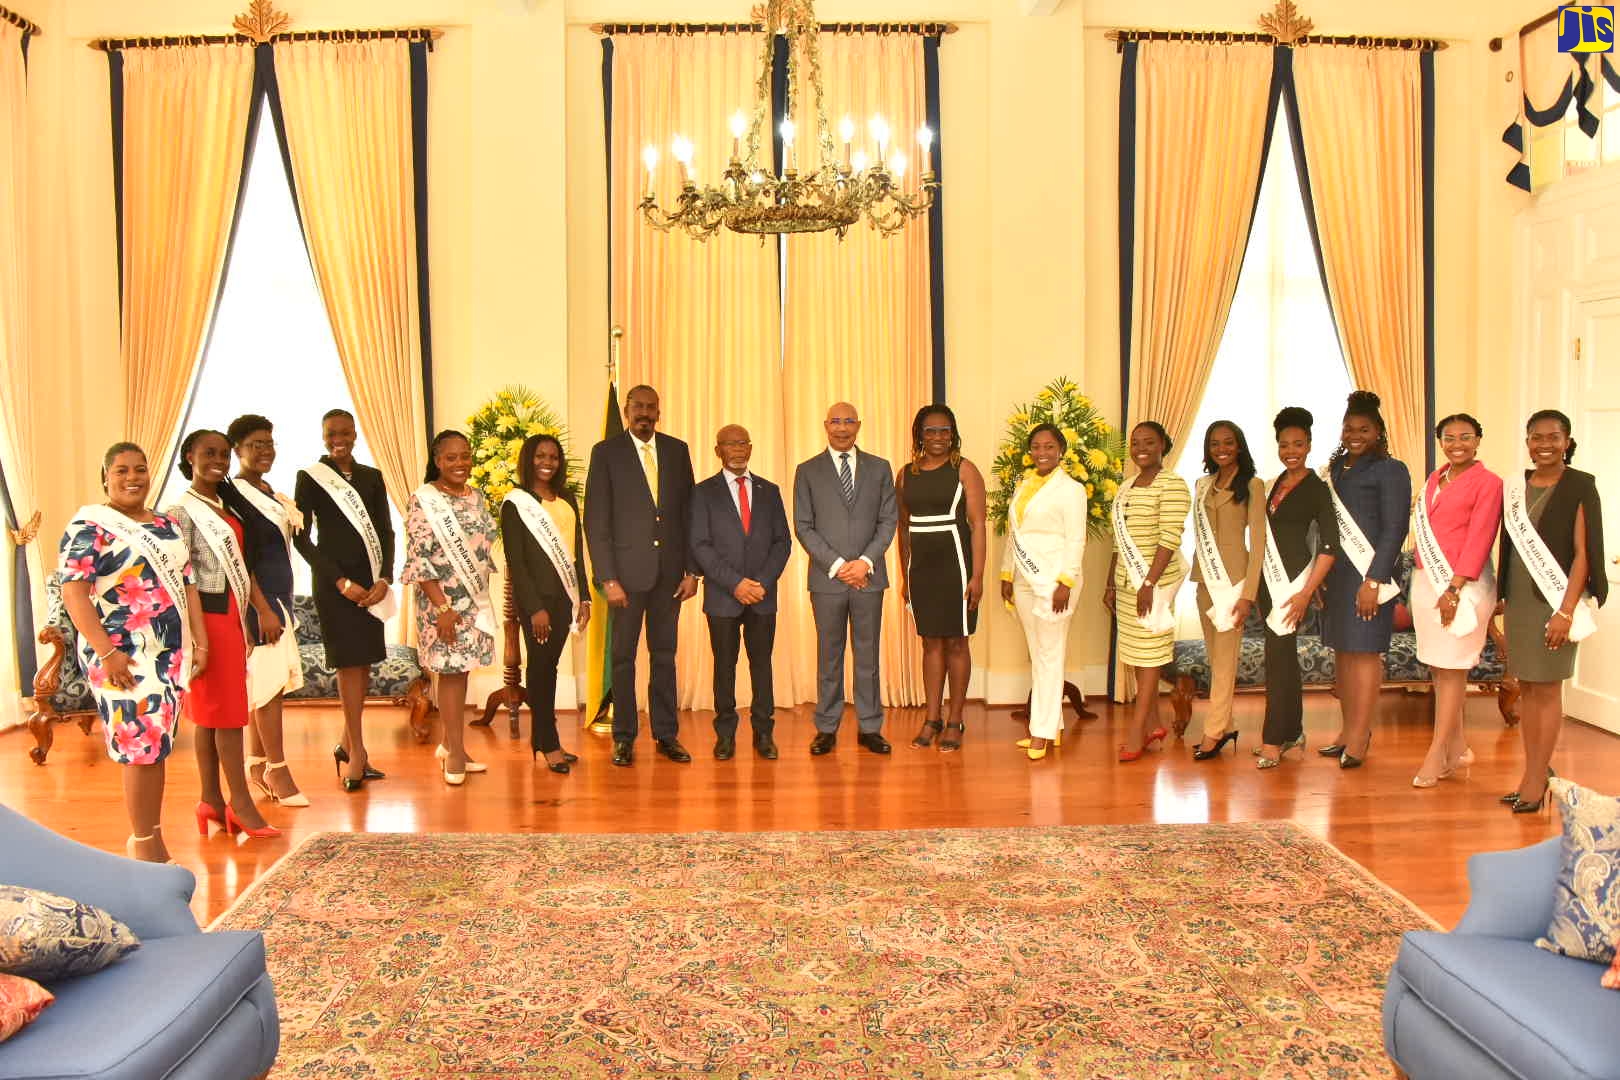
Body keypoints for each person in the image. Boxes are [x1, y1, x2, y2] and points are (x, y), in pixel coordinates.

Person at [58, 443, 207, 863]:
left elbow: (188, 583)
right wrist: (107, 653)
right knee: (138, 746)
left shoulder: (166, 525)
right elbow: (74, 593)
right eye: (121, 471)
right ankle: (145, 846)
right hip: (120, 655)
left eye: (139, 470)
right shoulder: (89, 526)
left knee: (156, 744)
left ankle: (149, 835)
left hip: (169, 654)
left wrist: (201, 642)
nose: (132, 478)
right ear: (105, 476)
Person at [166, 429, 281, 840]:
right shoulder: (180, 511)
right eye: (208, 453)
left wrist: (261, 609)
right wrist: (199, 638)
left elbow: (243, 567)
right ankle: (241, 805)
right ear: (190, 457)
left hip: (232, 614)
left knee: (212, 716)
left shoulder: (224, 502)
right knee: (227, 715)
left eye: (224, 453)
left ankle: (211, 801)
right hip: (207, 621)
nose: (218, 459)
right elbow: (183, 578)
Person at [583, 384, 699, 767]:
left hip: (670, 578)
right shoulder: (607, 453)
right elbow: (596, 521)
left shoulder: (677, 451)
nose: (644, 413)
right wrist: (608, 579)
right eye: (638, 407)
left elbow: (689, 515)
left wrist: (692, 571)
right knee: (624, 657)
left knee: (665, 656)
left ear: (659, 412)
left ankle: (667, 735)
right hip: (626, 580)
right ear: (627, 410)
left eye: (651, 407)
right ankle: (624, 736)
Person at [1497, 409, 1606, 813]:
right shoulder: (1516, 486)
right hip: (1521, 603)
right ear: (1527, 441)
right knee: (1527, 688)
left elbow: (1583, 554)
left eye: (1553, 437)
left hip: (1556, 601)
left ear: (1567, 441)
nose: (1544, 444)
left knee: (1546, 690)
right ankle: (1536, 772)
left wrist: (1564, 611)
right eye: (1536, 437)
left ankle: (1533, 781)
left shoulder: (1580, 484)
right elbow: (1508, 548)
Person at [293, 408, 394, 791]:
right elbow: (302, 538)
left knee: (363, 663)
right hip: (335, 586)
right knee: (347, 664)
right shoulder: (311, 478)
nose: (340, 439)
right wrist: (338, 581)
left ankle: (347, 743)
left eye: (346, 433)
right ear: (323, 437)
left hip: (370, 585)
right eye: (332, 433)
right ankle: (358, 754)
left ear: (355, 435)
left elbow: (386, 531)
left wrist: (383, 577)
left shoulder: (371, 477)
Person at [793, 401, 899, 756]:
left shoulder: (880, 468)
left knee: (868, 656)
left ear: (859, 424)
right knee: (829, 656)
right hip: (827, 581)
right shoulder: (807, 471)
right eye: (835, 422)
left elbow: (888, 521)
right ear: (825, 425)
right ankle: (826, 727)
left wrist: (865, 562)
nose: (842, 428)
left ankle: (870, 727)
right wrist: (839, 565)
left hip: (869, 578)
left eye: (848, 421)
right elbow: (803, 526)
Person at [688, 424, 792, 760]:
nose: (737, 449)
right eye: (730, 444)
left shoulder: (769, 490)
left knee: (762, 666)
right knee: (725, 667)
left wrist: (759, 583)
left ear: (750, 448)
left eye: (743, 443)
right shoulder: (703, 492)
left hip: (762, 596)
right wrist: (735, 583)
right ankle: (725, 735)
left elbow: (782, 542)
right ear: (718, 450)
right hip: (723, 597)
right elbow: (700, 545)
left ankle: (764, 734)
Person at [1319, 390, 1411, 770]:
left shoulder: (1390, 469)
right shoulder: (1337, 470)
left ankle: (1360, 736)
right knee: (1343, 652)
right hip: (1338, 575)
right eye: (1348, 428)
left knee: (1365, 653)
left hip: (1368, 575)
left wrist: (1373, 580)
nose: (1354, 435)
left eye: (1363, 429)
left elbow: (1395, 528)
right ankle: (1346, 730)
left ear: (1378, 432)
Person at [1410, 414, 1502, 788]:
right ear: (1440, 441)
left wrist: (1454, 589)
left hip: (1462, 586)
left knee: (1453, 670)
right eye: (1449, 437)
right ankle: (1458, 746)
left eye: (1466, 436)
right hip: (1425, 582)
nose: (1457, 443)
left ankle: (1437, 755)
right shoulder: (1435, 477)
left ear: (1478, 440)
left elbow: (1481, 537)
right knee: (1439, 669)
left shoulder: (1489, 483)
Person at [403, 430, 499, 786]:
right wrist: (443, 606)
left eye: (465, 456)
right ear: (438, 460)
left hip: (472, 601)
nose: (460, 464)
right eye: (451, 458)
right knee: (452, 673)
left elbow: (484, 547)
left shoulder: (478, 497)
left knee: (463, 671)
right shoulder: (423, 499)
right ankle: (455, 753)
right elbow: (418, 557)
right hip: (439, 603)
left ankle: (450, 743)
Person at [228, 414, 307, 807]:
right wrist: (261, 609)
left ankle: (256, 763)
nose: (265, 451)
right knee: (270, 684)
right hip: (260, 604)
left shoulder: (268, 491)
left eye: (269, 443)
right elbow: (241, 560)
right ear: (237, 450)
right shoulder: (235, 494)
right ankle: (278, 768)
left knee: (265, 685)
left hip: (281, 596)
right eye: (256, 444)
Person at [897, 405, 987, 752]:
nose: (938, 437)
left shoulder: (964, 470)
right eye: (931, 431)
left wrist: (977, 575)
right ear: (919, 434)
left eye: (945, 431)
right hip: (921, 568)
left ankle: (955, 719)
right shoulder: (906, 474)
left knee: (957, 642)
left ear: (954, 433)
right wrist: (905, 575)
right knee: (930, 643)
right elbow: (903, 528)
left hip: (956, 563)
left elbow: (978, 525)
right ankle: (931, 718)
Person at [501, 433, 590, 774]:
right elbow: (517, 562)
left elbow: (576, 553)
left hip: (564, 598)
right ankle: (548, 742)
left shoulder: (566, 498)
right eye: (540, 456)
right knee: (540, 669)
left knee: (547, 668)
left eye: (553, 457)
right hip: (536, 603)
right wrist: (534, 607)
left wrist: (582, 596)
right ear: (529, 459)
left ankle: (542, 739)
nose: (547, 462)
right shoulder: (516, 503)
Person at [1256, 407, 1339, 769]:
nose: (1291, 450)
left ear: (1309, 445)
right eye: (1284, 444)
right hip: (1266, 583)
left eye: (1298, 444)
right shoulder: (1274, 484)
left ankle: (1273, 740)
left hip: (1292, 587)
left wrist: (1307, 591)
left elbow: (1329, 544)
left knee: (1278, 660)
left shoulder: (1317, 488)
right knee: (1281, 660)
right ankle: (1293, 733)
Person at [998, 423, 1087, 760]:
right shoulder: (1024, 485)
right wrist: (1007, 572)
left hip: (1054, 581)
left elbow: (1076, 539)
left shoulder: (1072, 490)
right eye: (1036, 446)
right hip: (1024, 578)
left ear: (1061, 450)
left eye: (1049, 446)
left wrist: (1065, 581)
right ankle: (1054, 726)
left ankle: (1042, 732)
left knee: (1051, 654)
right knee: (1039, 654)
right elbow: (1015, 533)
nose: (1042, 453)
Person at [1104, 421, 1189, 762]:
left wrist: (1149, 583)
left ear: (1163, 445)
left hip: (1154, 585)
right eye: (1136, 442)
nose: (1141, 447)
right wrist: (1111, 581)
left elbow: (1169, 539)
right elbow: (1117, 542)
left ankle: (1137, 730)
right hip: (1127, 585)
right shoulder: (1126, 486)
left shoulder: (1173, 485)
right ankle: (1154, 723)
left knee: (1151, 656)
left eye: (1149, 442)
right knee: (1138, 657)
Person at [1188, 421, 1266, 760]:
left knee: (1225, 662)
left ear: (1239, 445)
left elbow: (1259, 544)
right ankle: (1227, 724)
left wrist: (1248, 594)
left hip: (1233, 585)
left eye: (1228, 442)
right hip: (1205, 581)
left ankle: (1212, 731)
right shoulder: (1202, 485)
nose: (1221, 448)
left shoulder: (1253, 485)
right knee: (1215, 658)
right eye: (1214, 443)